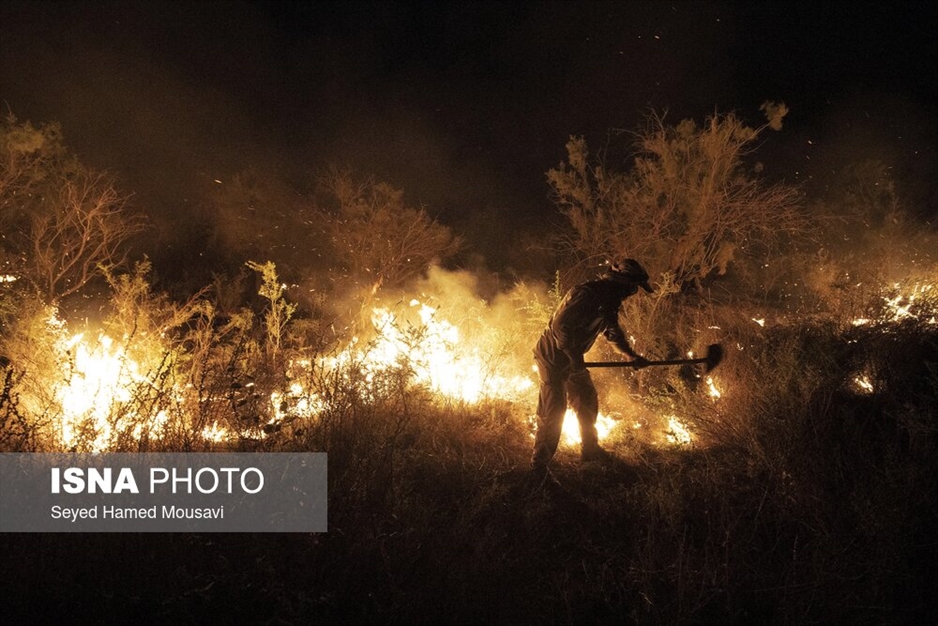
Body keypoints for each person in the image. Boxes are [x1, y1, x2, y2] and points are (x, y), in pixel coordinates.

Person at [531, 258, 653, 485]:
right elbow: (561, 328)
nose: (633, 293)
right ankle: (540, 465)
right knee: (554, 410)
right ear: (622, 283)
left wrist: (630, 355)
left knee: (586, 398)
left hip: (572, 357)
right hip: (552, 357)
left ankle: (590, 450)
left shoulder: (609, 301)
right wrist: (575, 359)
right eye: (633, 288)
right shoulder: (587, 294)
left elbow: (612, 332)